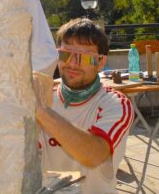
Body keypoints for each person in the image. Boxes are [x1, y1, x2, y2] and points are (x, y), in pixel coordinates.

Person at [35, 18, 134, 193]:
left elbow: (94, 155)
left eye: (85, 57)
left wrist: (40, 111)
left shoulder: (116, 104)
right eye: (65, 54)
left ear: (101, 63)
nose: (72, 63)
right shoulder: (44, 97)